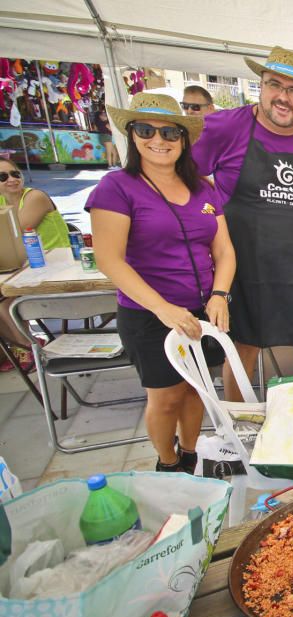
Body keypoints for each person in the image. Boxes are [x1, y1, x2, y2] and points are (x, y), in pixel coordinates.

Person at [87, 93, 236, 473]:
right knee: (166, 396)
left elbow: (224, 251)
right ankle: (167, 464)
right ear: (132, 135)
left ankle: (190, 454)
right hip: (149, 315)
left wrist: (220, 294)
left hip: (202, 311)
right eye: (146, 129)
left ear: (184, 139)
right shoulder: (116, 187)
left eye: (170, 131)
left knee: (196, 390)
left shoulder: (204, 188)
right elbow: (109, 259)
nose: (159, 138)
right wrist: (163, 308)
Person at [191, 46, 293, 400]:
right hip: (244, 266)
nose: (283, 97)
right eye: (274, 85)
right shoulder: (224, 126)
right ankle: (239, 423)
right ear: (261, 86)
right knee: (243, 349)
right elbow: (185, 180)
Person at [0, 158, 72, 371]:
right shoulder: (3, 204)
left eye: (15, 174)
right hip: (23, 268)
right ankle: (17, 348)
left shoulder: (35, 197)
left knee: (5, 303)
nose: (12, 180)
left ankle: (27, 347)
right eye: (3, 177)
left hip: (56, 265)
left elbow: (14, 233)